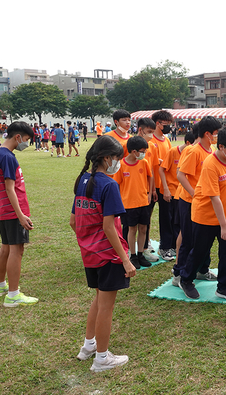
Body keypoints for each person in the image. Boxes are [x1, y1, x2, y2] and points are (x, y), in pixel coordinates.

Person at [70, 135, 136, 372]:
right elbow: (109, 227)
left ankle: (88, 346)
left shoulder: (82, 180)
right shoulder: (109, 185)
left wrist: (88, 241)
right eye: (117, 158)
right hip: (109, 257)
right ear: (108, 158)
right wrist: (126, 261)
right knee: (106, 306)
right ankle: (101, 358)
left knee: (99, 300)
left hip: (90, 255)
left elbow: (73, 221)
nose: (119, 163)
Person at [175, 127, 226, 301]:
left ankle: (224, 287)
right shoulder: (210, 165)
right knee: (199, 251)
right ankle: (186, 279)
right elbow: (214, 198)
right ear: (221, 146)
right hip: (204, 215)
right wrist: (223, 226)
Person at [0, 122, 38, 307]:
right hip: (12, 212)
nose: (25, 144)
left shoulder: (0, 153)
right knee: (16, 251)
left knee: (6, 249)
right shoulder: (8, 157)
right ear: (17, 137)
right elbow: (10, 189)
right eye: (26, 140)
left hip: (4, 211)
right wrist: (20, 215)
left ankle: (0, 286)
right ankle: (13, 295)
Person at [171, 117, 221, 285]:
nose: (217, 136)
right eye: (216, 133)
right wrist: (194, 194)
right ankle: (179, 273)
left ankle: (202, 269)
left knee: (204, 238)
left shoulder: (211, 149)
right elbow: (180, 174)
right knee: (188, 239)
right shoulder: (194, 151)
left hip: (205, 202)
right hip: (189, 202)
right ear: (207, 134)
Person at [112, 136, 153, 269]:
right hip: (128, 204)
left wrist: (150, 193)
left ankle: (141, 253)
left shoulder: (144, 162)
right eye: (142, 151)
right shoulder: (121, 165)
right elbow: (116, 184)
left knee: (143, 228)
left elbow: (150, 177)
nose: (144, 154)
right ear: (133, 151)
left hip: (143, 202)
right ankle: (133, 255)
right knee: (132, 229)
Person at [150, 110, 176, 261]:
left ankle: (170, 245)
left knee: (170, 217)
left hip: (167, 184)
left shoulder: (166, 140)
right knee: (161, 218)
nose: (168, 127)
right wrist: (153, 188)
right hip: (156, 185)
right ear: (157, 124)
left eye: (170, 124)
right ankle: (163, 247)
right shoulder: (151, 141)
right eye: (166, 124)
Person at [136, 118, 160, 261]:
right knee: (130, 223)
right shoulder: (129, 146)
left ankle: (144, 248)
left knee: (146, 220)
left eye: (153, 132)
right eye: (149, 132)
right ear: (140, 130)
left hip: (147, 190)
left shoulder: (153, 146)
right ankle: (130, 251)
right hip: (132, 191)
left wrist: (153, 190)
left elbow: (152, 170)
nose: (151, 135)